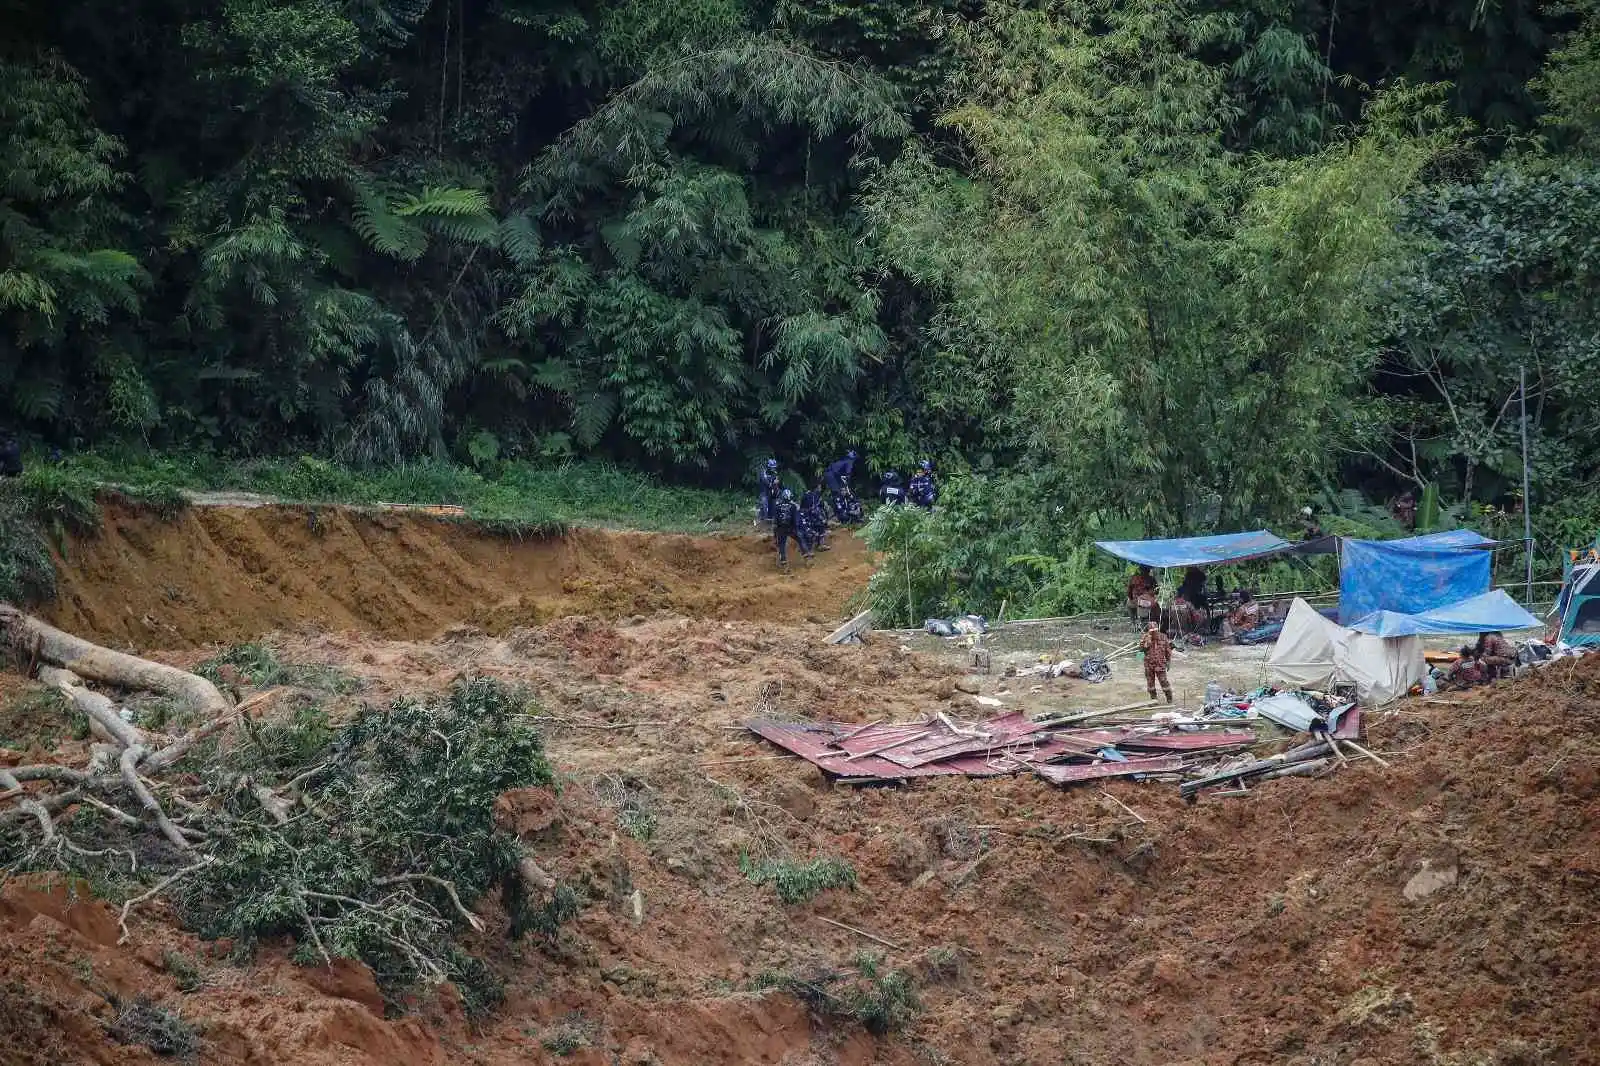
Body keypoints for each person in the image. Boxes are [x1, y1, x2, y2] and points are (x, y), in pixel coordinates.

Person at [771, 488, 811, 572]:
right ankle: (807, 558)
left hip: (781, 528)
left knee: (782, 545)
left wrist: (775, 534)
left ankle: (784, 565)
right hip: (791, 527)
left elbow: (775, 521)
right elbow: (795, 519)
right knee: (800, 539)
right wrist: (797, 529)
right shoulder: (793, 506)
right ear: (789, 497)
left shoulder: (777, 506)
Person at [1140, 622, 1174, 704]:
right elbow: (1140, 651)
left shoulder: (1163, 637)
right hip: (1149, 664)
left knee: (1164, 682)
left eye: (1155, 630)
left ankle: (1169, 699)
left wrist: (1168, 662)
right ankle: (1153, 700)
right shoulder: (1145, 637)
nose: (1153, 633)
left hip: (1160, 664)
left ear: (1157, 629)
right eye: (1151, 631)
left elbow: (1168, 651)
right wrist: (1145, 644)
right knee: (1150, 683)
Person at [756, 458, 781, 525]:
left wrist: (776, 487)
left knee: (773, 507)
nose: (773, 468)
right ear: (768, 466)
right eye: (772, 467)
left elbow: (777, 482)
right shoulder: (763, 472)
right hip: (764, 492)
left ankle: (770, 522)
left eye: (774, 467)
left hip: (771, 493)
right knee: (764, 507)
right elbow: (767, 483)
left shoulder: (775, 473)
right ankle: (761, 522)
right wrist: (773, 482)